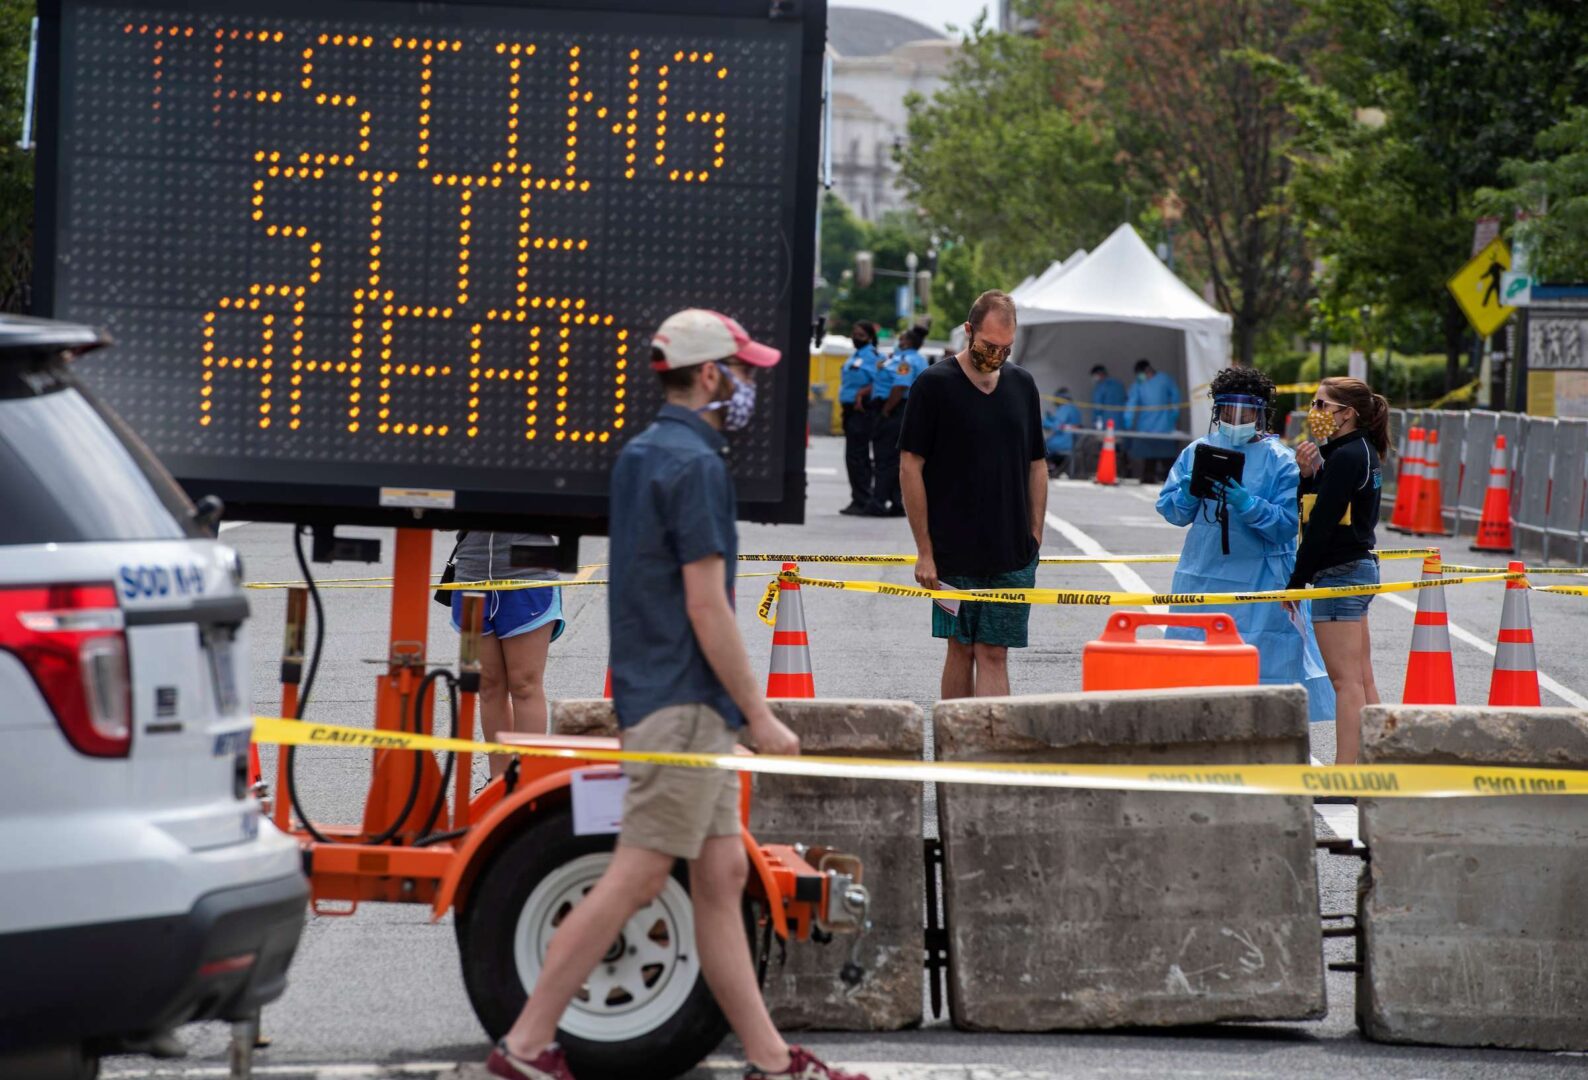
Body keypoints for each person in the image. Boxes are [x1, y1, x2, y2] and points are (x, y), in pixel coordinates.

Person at [486, 309, 867, 1080]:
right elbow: (707, 604)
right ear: (708, 375)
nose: (750, 384)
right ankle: (524, 1047)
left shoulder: (643, 454)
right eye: (742, 370)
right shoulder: (697, 467)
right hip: (687, 705)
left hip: (663, 696)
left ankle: (770, 1058)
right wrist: (759, 716)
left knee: (721, 876)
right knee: (639, 874)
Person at [1154, 368, 1335, 723]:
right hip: (1202, 576)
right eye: (1227, 411)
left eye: (1246, 412)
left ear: (1261, 414)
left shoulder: (1281, 461)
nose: (1235, 419)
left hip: (1260, 583)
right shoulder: (1198, 451)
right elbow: (1172, 511)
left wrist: (1247, 504)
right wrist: (1188, 494)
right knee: (1196, 666)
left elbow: (1285, 526)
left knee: (1262, 671)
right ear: (1217, 412)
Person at [899, 291, 1046, 698]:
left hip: (1012, 551)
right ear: (969, 331)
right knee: (961, 649)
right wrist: (925, 550)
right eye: (987, 346)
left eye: (1005, 348)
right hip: (952, 552)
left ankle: (992, 754)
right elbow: (910, 466)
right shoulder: (934, 385)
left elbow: (1037, 463)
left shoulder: (1022, 385)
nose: (996, 356)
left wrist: (1035, 532)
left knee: (995, 652)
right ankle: (955, 751)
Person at [1289, 376, 1388, 768]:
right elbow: (1321, 508)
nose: (1315, 414)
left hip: (1340, 574)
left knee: (1345, 681)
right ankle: (1379, 760)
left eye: (1321, 405)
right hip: (1357, 569)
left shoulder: (1348, 456)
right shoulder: (1356, 451)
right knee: (1361, 678)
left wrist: (1296, 581)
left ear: (1347, 413)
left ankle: (1346, 773)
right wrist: (1309, 475)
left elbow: (1321, 526)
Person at [449, 532, 565, 777]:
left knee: (524, 684)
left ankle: (527, 782)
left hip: (530, 575)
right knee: (488, 686)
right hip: (470, 577)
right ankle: (498, 783)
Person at [863, 325, 929, 516]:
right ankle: (896, 501)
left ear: (906, 342)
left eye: (900, 339)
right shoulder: (912, 359)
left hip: (895, 410)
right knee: (893, 459)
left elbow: (900, 387)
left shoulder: (905, 361)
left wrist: (886, 410)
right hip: (901, 409)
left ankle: (879, 501)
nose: (898, 343)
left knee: (885, 458)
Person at [838, 321, 882, 516]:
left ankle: (863, 498)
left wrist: (862, 394)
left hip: (862, 410)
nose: (856, 338)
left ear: (870, 337)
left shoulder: (873, 357)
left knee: (857, 456)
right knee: (854, 456)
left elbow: (879, 380)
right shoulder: (855, 356)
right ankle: (859, 496)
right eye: (854, 334)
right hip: (849, 411)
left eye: (861, 335)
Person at [1124, 358, 1182, 484]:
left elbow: (1175, 398)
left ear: (1147, 370)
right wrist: (1128, 420)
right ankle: (1151, 478)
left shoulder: (1165, 379)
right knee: (1150, 457)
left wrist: (1174, 415)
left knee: (1166, 459)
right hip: (1153, 426)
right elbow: (1131, 402)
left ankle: (1172, 482)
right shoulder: (1139, 384)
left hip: (1161, 426)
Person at [1042, 387, 1083, 478]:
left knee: (1042, 447)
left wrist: (1046, 422)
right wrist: (1052, 419)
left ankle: (1049, 468)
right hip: (1073, 441)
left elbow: (1057, 426)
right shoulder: (1074, 408)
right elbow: (1063, 422)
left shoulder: (1065, 408)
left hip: (1064, 442)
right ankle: (1052, 467)